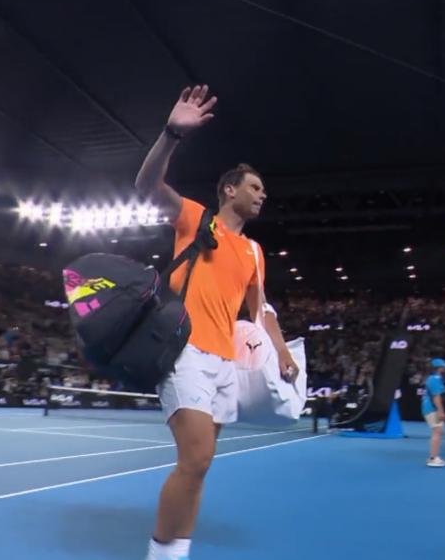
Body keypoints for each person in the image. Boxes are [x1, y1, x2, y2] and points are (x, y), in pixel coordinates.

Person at [134, 85, 300, 560]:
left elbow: (260, 310)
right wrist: (170, 135)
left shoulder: (253, 251)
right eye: (255, 187)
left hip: (225, 361)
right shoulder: (195, 218)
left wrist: (284, 354)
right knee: (197, 456)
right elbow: (146, 189)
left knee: (199, 467)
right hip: (183, 350)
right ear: (230, 189)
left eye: (264, 191)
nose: (262, 195)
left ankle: (172, 552)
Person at [421, 358, 445, 468]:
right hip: (432, 409)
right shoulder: (435, 380)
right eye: (443, 367)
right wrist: (441, 411)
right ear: (439, 368)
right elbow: (436, 397)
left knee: (438, 431)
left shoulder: (434, 379)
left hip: (431, 408)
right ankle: (433, 458)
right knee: (437, 432)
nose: (444, 369)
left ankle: (434, 456)